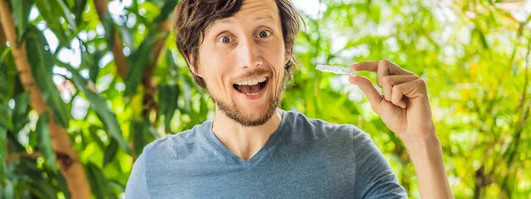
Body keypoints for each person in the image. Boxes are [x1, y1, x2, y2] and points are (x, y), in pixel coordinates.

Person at [125, 0, 454, 198]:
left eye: (264, 34)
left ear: (287, 48)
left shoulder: (347, 155)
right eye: (226, 39)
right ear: (194, 61)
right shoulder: (156, 171)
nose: (250, 58)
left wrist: (422, 141)